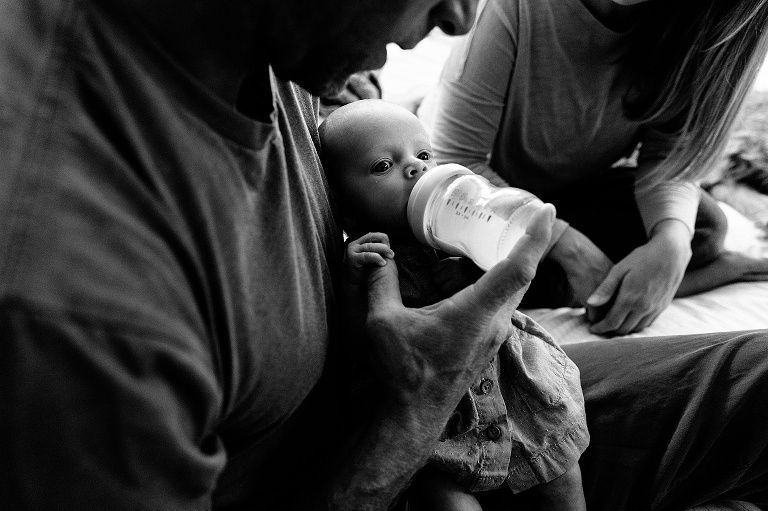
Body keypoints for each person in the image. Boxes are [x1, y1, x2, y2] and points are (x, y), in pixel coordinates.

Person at [0, 0, 767, 510]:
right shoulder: (77, 295)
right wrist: (416, 398)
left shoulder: (262, 44)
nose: (461, 16)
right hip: (396, 456)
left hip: (444, 397)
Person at [427, 0, 768, 335]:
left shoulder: (681, 23)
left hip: (573, 192)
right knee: (447, 271)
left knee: (702, 227)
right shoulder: (514, 8)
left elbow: (665, 154)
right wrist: (568, 246)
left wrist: (672, 240)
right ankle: (712, 273)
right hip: (482, 199)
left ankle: (678, 273)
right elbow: (458, 164)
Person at [319, 98, 588, 511]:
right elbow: (360, 347)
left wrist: (474, 273)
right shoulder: (366, 256)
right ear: (347, 212)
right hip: (437, 421)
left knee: (560, 470)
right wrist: (355, 281)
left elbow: (505, 284)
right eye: (382, 166)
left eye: (423, 154)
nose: (416, 168)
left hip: (513, 384)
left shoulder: (461, 226)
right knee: (443, 497)